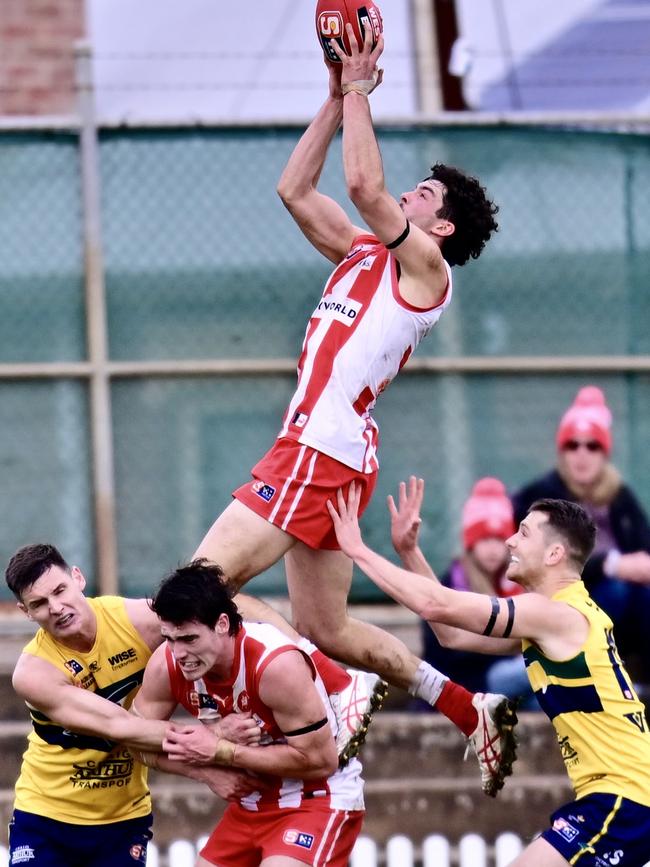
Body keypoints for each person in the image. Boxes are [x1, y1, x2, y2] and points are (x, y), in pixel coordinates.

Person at [190, 23, 514, 793]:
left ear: (441, 227)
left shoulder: (426, 267)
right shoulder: (364, 253)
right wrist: (336, 98)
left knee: (197, 587)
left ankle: (335, 689)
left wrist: (364, 89)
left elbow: (366, 189)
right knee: (328, 626)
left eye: (424, 196)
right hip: (331, 450)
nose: (408, 193)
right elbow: (295, 190)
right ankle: (468, 705)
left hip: (317, 447)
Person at [328, 485, 650, 865]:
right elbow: (452, 635)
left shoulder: (553, 614)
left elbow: (436, 604)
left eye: (524, 532)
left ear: (555, 554)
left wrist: (358, 550)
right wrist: (410, 552)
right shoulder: (558, 616)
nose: (511, 541)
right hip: (623, 796)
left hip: (623, 797)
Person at [3, 543, 376, 865]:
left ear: (79, 578)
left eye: (61, 590)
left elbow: (225, 601)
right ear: (25, 611)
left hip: (122, 813)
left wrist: (321, 669)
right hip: (48, 811)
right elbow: (122, 728)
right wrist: (210, 750)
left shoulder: (144, 623)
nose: (57, 607)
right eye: (39, 603)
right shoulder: (34, 673)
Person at [133, 560, 365, 867]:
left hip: (315, 799)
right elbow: (134, 739)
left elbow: (321, 761)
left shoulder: (274, 666)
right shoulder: (167, 664)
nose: (179, 654)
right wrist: (205, 770)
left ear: (222, 625)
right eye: (170, 639)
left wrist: (223, 752)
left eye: (189, 639)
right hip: (250, 805)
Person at [512, 385, 650, 685]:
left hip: (627, 604)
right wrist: (612, 565)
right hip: (565, 603)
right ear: (562, 452)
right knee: (619, 590)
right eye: (573, 445)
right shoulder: (542, 495)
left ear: (605, 452)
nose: (582, 454)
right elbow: (549, 558)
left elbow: (643, 546)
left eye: (592, 445)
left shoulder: (619, 495)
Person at [399, 477, 534, 707]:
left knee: (542, 699)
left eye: (499, 539)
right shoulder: (452, 582)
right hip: (470, 681)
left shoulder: (516, 581)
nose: (493, 548)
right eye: (484, 539)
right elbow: (443, 649)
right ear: (470, 544)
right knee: (532, 671)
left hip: (502, 681)